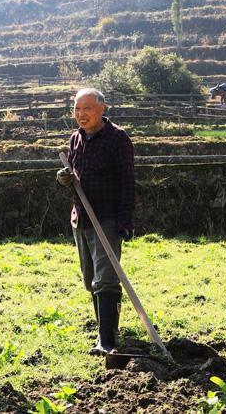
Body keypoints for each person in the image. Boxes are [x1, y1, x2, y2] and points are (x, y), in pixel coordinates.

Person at [56, 88, 135, 354]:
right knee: (90, 278)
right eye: (77, 109)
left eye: (87, 108)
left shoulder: (117, 139)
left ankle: (107, 340)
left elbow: (127, 183)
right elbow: (74, 176)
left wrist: (124, 221)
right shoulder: (76, 139)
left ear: (103, 109)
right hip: (81, 219)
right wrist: (64, 178)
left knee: (106, 279)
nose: (81, 114)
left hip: (107, 219)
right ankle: (105, 328)